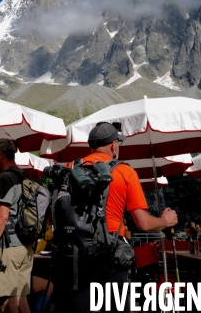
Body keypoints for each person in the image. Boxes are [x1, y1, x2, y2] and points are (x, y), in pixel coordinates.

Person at [55, 122, 179, 313]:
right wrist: (165, 221)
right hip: (110, 251)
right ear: (114, 145)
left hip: (76, 252)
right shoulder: (125, 171)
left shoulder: (72, 168)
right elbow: (144, 223)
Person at [0, 138, 33, 313]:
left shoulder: (6, 178)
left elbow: (2, 217)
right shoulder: (24, 175)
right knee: (21, 300)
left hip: (8, 248)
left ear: (0, 155)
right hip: (25, 246)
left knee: (6, 303)